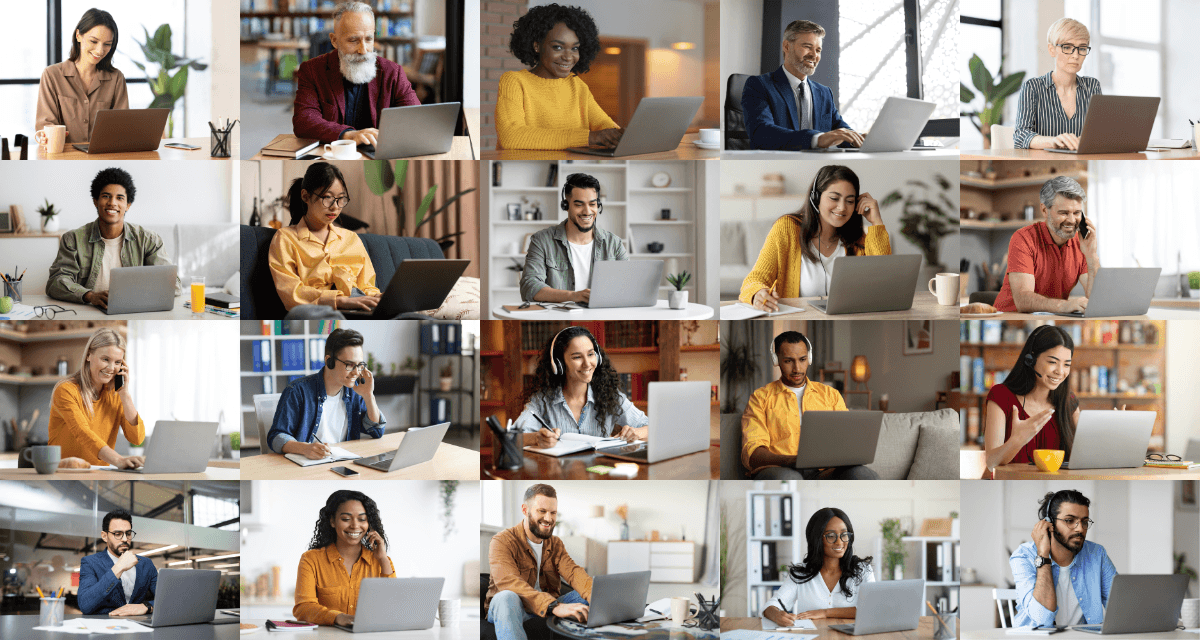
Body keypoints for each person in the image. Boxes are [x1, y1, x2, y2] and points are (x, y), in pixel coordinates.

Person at [740, 165, 890, 310]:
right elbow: (754, 279)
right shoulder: (786, 228)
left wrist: (876, 223)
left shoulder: (859, 240)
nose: (843, 207)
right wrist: (757, 294)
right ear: (815, 198)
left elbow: (885, 285)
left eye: (850, 201)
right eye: (834, 198)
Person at [740, 331, 879, 480]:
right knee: (789, 477)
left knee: (862, 474)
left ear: (809, 359)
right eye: (788, 361)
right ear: (776, 360)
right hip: (780, 469)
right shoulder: (760, 398)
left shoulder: (831, 395)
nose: (797, 369)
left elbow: (846, 439)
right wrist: (789, 461)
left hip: (825, 471)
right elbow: (753, 452)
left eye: (802, 359)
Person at [47, 167, 179, 311]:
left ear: (128, 205)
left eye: (120, 198)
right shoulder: (72, 239)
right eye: (106, 196)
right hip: (89, 309)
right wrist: (90, 296)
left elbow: (174, 284)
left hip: (135, 310)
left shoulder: (149, 240)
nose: (112, 203)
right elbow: (56, 281)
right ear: (95, 201)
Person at [495, 4, 622, 150]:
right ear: (537, 46)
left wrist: (621, 135)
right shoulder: (514, 81)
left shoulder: (577, 85)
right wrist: (589, 137)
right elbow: (511, 137)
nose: (568, 57)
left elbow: (604, 125)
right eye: (558, 47)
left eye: (574, 48)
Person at [292, 1, 420, 145]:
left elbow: (416, 118)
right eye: (353, 40)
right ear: (334, 41)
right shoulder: (312, 71)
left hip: (378, 153)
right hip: (334, 152)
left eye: (369, 39)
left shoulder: (393, 72)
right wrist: (349, 135)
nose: (363, 50)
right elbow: (303, 121)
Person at [267, 162, 382, 312]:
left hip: (359, 305)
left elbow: (367, 286)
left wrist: (379, 298)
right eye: (327, 197)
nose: (335, 206)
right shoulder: (285, 238)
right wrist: (338, 301)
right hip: (315, 310)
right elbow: (291, 293)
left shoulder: (351, 239)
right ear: (305, 196)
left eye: (341, 198)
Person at [486, 484, 593, 640]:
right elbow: (509, 582)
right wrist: (553, 606)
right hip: (514, 607)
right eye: (542, 511)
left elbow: (573, 572)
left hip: (546, 606)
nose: (548, 519)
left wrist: (594, 594)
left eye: (553, 513)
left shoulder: (555, 544)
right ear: (525, 510)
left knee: (595, 591)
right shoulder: (502, 541)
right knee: (507, 597)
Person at [513, 326, 647, 449]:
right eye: (577, 357)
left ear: (598, 357)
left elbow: (654, 427)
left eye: (590, 354)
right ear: (559, 364)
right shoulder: (542, 400)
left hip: (600, 472)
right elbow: (511, 437)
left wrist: (636, 432)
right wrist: (536, 438)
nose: (587, 364)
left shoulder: (610, 395)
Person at [741, 20, 862, 151]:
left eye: (818, 50)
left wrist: (860, 139)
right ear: (787, 46)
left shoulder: (824, 93)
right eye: (808, 47)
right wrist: (816, 139)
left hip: (818, 165)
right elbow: (761, 134)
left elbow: (840, 131)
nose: (814, 55)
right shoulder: (759, 85)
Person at [267, 328, 384, 458]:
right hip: (307, 467)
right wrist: (305, 448)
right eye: (350, 365)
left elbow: (377, 431)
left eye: (360, 365)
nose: (356, 372)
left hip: (343, 462)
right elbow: (275, 437)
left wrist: (369, 396)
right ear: (329, 361)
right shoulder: (297, 391)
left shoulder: (355, 392)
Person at [993, 176, 1098, 314]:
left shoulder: (1081, 243)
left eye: (1077, 213)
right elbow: (1023, 300)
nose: (1072, 220)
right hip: (1010, 320)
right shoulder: (1023, 238)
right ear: (1044, 210)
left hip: (1050, 320)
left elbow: (1097, 300)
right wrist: (1064, 306)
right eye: (1064, 213)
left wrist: (1091, 256)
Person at [982, 325, 1082, 470]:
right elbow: (991, 463)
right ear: (1031, 359)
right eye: (1052, 362)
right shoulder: (1001, 396)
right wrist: (1017, 440)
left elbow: (1087, 452)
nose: (1060, 372)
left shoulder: (1069, 400)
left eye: (1067, 365)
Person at [1011, 490, 1115, 627]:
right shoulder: (1024, 555)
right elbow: (1042, 619)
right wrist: (1043, 553)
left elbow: (1119, 607)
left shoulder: (1096, 553)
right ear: (1049, 523)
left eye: (1084, 522)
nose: (1080, 529)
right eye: (1069, 521)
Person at [520, 173, 627, 304]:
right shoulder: (542, 240)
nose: (587, 211)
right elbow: (529, 287)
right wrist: (574, 296)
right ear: (566, 205)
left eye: (592, 204)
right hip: (558, 317)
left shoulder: (614, 243)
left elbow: (627, 286)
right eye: (579, 204)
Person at [294, 490, 396, 627]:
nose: (354, 525)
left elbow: (393, 607)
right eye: (346, 519)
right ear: (332, 521)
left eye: (362, 519)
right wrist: (338, 617)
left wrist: (383, 559)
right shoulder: (311, 559)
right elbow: (303, 608)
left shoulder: (382, 561)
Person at [47, 328, 145, 469]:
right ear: (89, 355)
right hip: (64, 472)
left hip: (99, 474)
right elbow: (83, 433)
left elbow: (137, 439)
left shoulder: (116, 395)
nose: (111, 368)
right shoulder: (66, 390)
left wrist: (125, 395)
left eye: (117, 362)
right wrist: (118, 460)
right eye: (105, 359)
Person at [36, 9, 129, 145]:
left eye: (107, 44)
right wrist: (47, 136)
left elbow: (123, 126)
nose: (100, 50)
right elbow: (45, 124)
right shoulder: (52, 75)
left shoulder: (116, 79)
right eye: (93, 41)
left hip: (103, 158)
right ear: (78, 35)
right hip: (64, 158)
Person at [762, 508, 874, 622]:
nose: (840, 542)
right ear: (817, 539)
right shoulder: (800, 573)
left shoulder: (863, 570)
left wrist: (825, 613)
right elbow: (772, 605)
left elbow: (871, 610)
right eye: (831, 536)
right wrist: (776, 615)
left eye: (844, 534)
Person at [1013, 18, 1102, 150]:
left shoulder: (1092, 86)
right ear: (1052, 50)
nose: (1076, 55)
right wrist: (1052, 141)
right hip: (1044, 167)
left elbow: (1099, 134)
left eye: (1082, 48)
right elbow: (1020, 136)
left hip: (1083, 166)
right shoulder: (1032, 87)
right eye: (1067, 47)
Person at [77, 509, 157, 616]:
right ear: (105, 536)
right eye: (118, 534)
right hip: (105, 627)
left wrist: (147, 606)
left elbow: (167, 599)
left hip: (140, 627)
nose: (125, 539)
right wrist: (118, 568)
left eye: (128, 533)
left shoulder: (146, 564)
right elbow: (85, 605)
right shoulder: (90, 562)